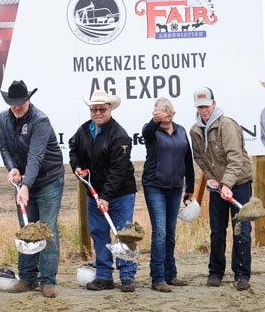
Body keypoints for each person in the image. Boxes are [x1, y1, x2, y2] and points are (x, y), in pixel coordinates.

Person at [0, 80, 64, 298]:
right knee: (26, 228)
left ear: (29, 100)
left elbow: (36, 156)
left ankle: (48, 281)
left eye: (21, 103)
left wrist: (25, 186)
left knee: (47, 230)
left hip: (48, 181)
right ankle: (27, 278)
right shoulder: (4, 119)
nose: (17, 107)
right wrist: (12, 167)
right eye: (13, 103)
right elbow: (4, 147)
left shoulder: (40, 120)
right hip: (24, 181)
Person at [68, 89, 137, 292]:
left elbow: (118, 170)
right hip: (94, 192)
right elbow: (73, 148)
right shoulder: (83, 131)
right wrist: (77, 166)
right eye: (94, 109)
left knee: (124, 234)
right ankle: (104, 276)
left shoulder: (119, 136)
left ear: (110, 109)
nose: (98, 112)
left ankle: (127, 276)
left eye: (102, 109)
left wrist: (106, 197)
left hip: (121, 193)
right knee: (99, 233)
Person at [189, 87, 253, 291]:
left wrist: (227, 184)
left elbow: (236, 159)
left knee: (241, 230)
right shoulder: (195, 131)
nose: (204, 110)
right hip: (218, 187)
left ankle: (242, 273)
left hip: (240, 184)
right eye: (200, 106)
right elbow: (199, 158)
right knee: (217, 231)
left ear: (214, 104)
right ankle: (215, 272)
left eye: (206, 106)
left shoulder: (227, 126)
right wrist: (210, 179)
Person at [142, 98, 195, 292]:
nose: (164, 118)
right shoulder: (152, 131)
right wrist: (154, 121)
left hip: (175, 186)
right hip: (154, 185)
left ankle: (171, 274)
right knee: (160, 232)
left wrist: (190, 186)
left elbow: (187, 159)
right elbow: (146, 132)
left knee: (170, 232)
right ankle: (157, 277)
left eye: (167, 114)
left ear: (173, 114)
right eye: (159, 115)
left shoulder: (181, 130)